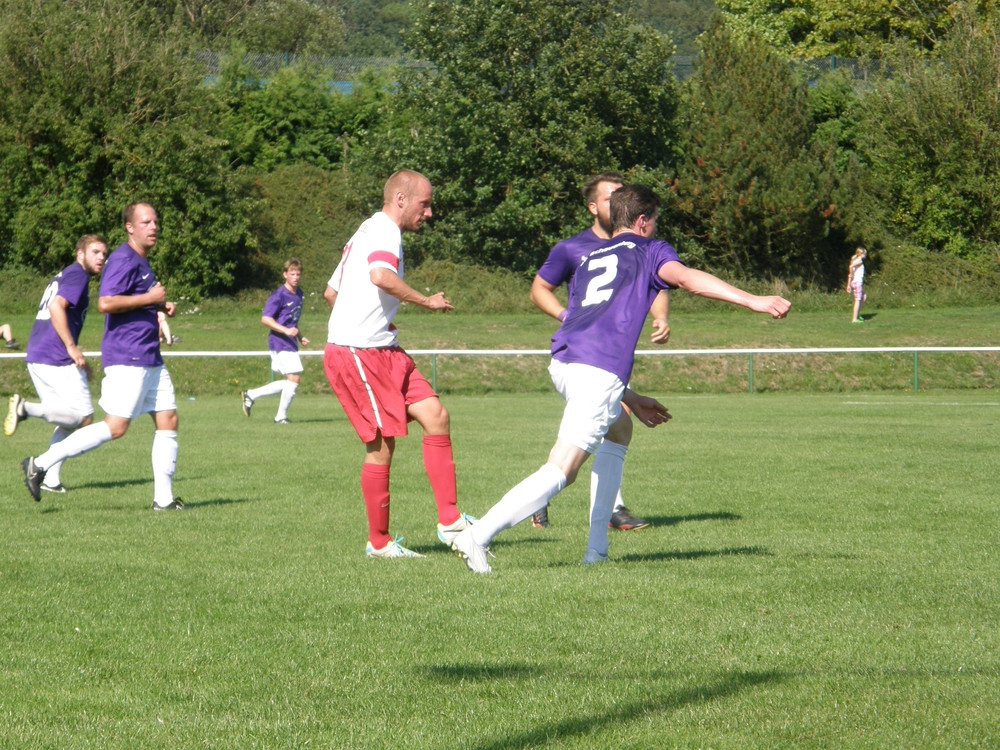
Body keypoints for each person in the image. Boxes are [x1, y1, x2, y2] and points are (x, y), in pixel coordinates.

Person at [453, 184, 791, 573]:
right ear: (643, 220)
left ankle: (597, 550)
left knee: (619, 429)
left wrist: (627, 396)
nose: (656, 227)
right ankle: (477, 536)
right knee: (563, 469)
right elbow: (686, 279)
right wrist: (753, 300)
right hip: (596, 369)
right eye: (655, 220)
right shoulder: (650, 249)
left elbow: (592, 322)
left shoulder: (591, 257)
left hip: (565, 360)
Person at [323, 169, 475, 558]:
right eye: (425, 204)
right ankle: (379, 543)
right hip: (358, 353)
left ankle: (450, 521)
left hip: (384, 349)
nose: (429, 213)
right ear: (401, 200)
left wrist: (371, 320)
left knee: (436, 415)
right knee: (381, 448)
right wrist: (426, 301)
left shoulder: (366, 230)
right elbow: (380, 275)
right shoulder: (385, 231)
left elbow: (330, 293)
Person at [528, 172, 670, 531]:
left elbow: (658, 281)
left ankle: (595, 512)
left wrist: (660, 317)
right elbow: (539, 289)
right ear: (593, 207)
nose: (618, 201)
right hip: (584, 355)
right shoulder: (572, 248)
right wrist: (567, 316)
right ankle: (553, 502)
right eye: (610, 197)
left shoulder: (640, 247)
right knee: (599, 430)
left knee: (616, 425)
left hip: (613, 352)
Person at [21, 202, 185, 510]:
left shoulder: (141, 261)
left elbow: (134, 300)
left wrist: (160, 305)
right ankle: (39, 464)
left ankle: (163, 500)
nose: (153, 227)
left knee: (169, 419)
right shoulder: (123, 259)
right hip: (129, 355)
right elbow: (106, 303)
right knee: (115, 427)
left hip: (149, 355)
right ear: (130, 227)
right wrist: (150, 298)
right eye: (146, 222)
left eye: (155, 222)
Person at [4, 236, 107, 496]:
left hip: (38, 353)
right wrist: (71, 347)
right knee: (84, 418)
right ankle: (25, 408)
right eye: (95, 252)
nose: (101, 258)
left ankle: (50, 479)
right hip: (55, 355)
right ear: (80, 253)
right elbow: (55, 306)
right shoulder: (78, 275)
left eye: (103, 253)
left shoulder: (66, 274)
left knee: (67, 419)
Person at [242, 258, 310, 424]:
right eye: (292, 274)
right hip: (279, 342)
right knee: (294, 378)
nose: (295, 277)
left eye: (298, 274)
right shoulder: (279, 295)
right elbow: (266, 319)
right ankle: (280, 417)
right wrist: (286, 331)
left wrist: (300, 336)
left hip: (290, 343)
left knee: (290, 381)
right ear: (285, 275)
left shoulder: (299, 294)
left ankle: (251, 395)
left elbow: (291, 320)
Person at [847, 247, 867, 323]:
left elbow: (850, 274)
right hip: (857, 282)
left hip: (854, 282)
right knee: (858, 300)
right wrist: (852, 274)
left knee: (864, 297)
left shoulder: (855, 260)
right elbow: (851, 267)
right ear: (861, 254)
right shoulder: (859, 261)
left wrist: (848, 285)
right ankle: (854, 319)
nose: (865, 255)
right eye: (864, 253)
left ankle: (857, 315)